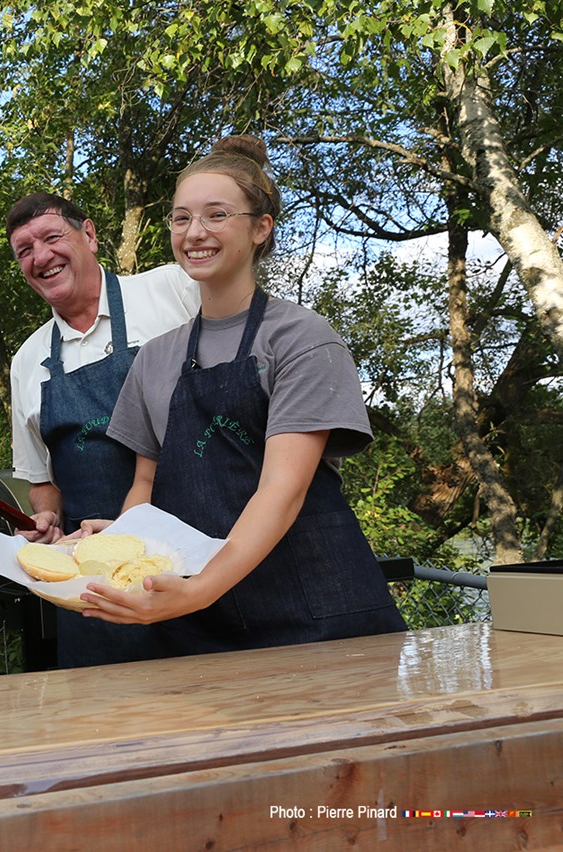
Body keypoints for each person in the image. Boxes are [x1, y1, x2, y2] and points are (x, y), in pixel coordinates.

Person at [80, 135, 406, 655]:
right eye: (181, 218)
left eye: (216, 215)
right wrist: (124, 544)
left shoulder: (300, 338)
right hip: (199, 624)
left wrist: (199, 589)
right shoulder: (155, 358)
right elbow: (146, 484)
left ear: (260, 228)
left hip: (315, 612)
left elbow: (282, 490)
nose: (195, 232)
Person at [7, 192, 199, 666]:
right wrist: (45, 520)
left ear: (89, 235)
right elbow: (42, 481)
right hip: (96, 592)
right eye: (24, 251)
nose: (40, 257)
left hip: (202, 563)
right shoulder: (28, 361)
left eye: (51, 237)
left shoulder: (172, 290)